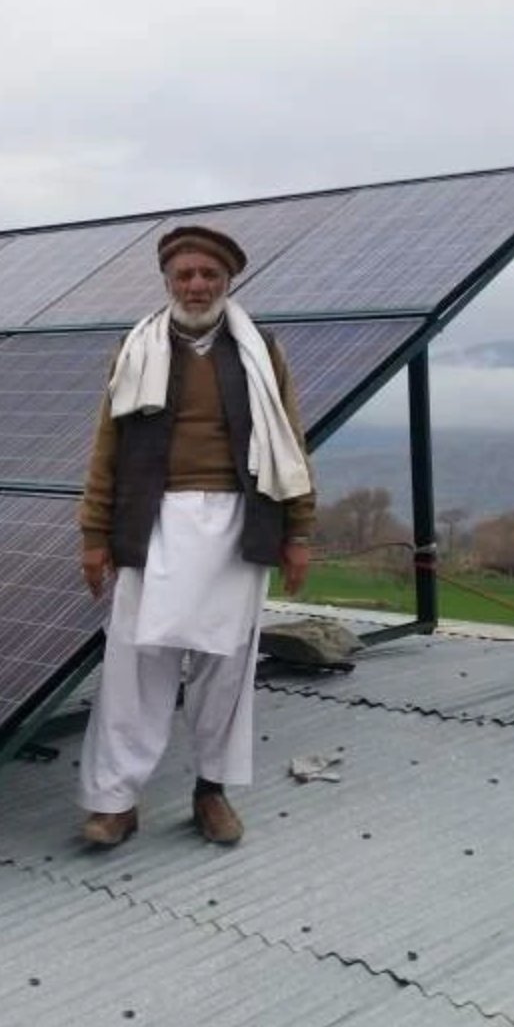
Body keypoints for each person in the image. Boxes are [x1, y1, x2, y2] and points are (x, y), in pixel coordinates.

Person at [75, 224, 317, 848]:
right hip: (150, 522)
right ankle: (115, 802)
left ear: (227, 280)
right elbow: (108, 446)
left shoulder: (261, 351)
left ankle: (211, 792)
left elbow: (290, 440)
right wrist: (93, 533)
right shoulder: (136, 349)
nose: (196, 285)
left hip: (240, 523)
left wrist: (300, 532)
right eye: (184, 274)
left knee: (224, 667)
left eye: (208, 274)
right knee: (134, 665)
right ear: (167, 281)